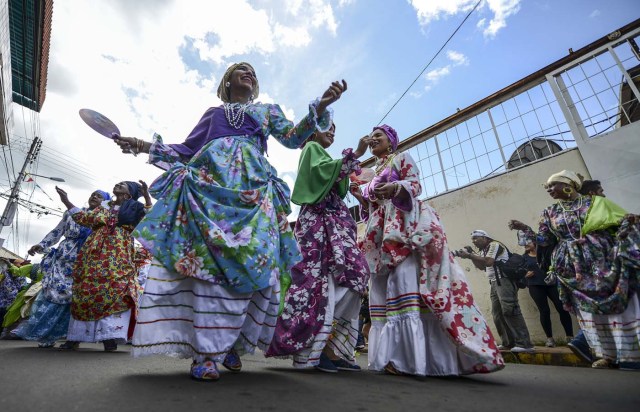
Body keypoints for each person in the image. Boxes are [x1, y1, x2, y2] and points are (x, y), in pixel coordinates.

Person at [113, 62, 348, 381]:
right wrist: (141, 145)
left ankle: (232, 342)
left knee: (253, 265)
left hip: (254, 194)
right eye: (241, 69)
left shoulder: (267, 112)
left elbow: (293, 138)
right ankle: (207, 354)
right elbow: (185, 150)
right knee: (209, 267)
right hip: (210, 191)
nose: (249, 72)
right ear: (227, 80)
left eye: (253, 71)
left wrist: (320, 105)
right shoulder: (213, 114)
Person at [350, 124, 503, 376]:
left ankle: (411, 360)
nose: (374, 138)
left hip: (404, 228)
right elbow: (370, 204)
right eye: (372, 136)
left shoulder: (401, 158)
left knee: (404, 284)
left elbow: (415, 186)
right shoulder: (371, 172)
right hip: (380, 233)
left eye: (380, 136)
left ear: (391, 142)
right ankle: (390, 357)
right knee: (382, 291)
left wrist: (397, 188)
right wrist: (362, 196)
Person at [265, 124, 370, 372]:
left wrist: (348, 175)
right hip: (319, 225)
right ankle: (315, 349)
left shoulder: (323, 154)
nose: (332, 132)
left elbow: (335, 177)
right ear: (312, 133)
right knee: (320, 282)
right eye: (326, 128)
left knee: (354, 276)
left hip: (337, 223)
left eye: (335, 129)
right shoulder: (311, 148)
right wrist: (355, 153)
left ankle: (329, 345)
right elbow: (322, 174)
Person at [521, 170, 639, 369]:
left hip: (603, 260)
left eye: (553, 185)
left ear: (569, 184)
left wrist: (629, 222)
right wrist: (527, 230)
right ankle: (606, 355)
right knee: (588, 311)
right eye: (547, 187)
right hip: (574, 266)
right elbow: (546, 239)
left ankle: (631, 355)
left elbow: (620, 223)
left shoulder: (595, 202)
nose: (549, 189)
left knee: (618, 303)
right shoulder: (550, 212)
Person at [57, 182, 151, 352]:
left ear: (129, 195)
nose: (118, 184)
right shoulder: (103, 208)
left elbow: (151, 219)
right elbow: (84, 219)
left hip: (118, 254)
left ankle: (108, 336)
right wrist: (67, 201)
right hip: (92, 253)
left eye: (123, 185)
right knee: (85, 289)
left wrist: (146, 197)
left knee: (114, 289)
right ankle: (75, 337)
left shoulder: (136, 207)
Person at [12, 190, 109, 348]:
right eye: (93, 194)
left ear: (105, 202)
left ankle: (72, 337)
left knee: (74, 300)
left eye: (99, 196)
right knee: (53, 294)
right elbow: (57, 232)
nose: (94, 197)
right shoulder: (71, 214)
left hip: (85, 262)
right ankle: (45, 334)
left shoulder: (104, 219)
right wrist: (42, 245)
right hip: (63, 260)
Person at [456, 230, 535, 353]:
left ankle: (525, 344)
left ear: (485, 238)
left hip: (504, 280)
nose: (474, 241)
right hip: (494, 282)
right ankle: (508, 342)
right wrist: (471, 254)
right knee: (497, 314)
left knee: (510, 309)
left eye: (476, 238)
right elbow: (482, 266)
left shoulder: (494, 245)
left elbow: (488, 262)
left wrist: (469, 255)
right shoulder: (484, 250)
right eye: (472, 239)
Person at [508, 224, 574, 348]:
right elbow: (519, 275)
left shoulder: (546, 254)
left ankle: (570, 337)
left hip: (552, 284)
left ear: (535, 241)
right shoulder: (523, 259)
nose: (526, 244)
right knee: (544, 311)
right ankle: (549, 339)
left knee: (562, 308)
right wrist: (525, 275)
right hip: (535, 285)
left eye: (528, 242)